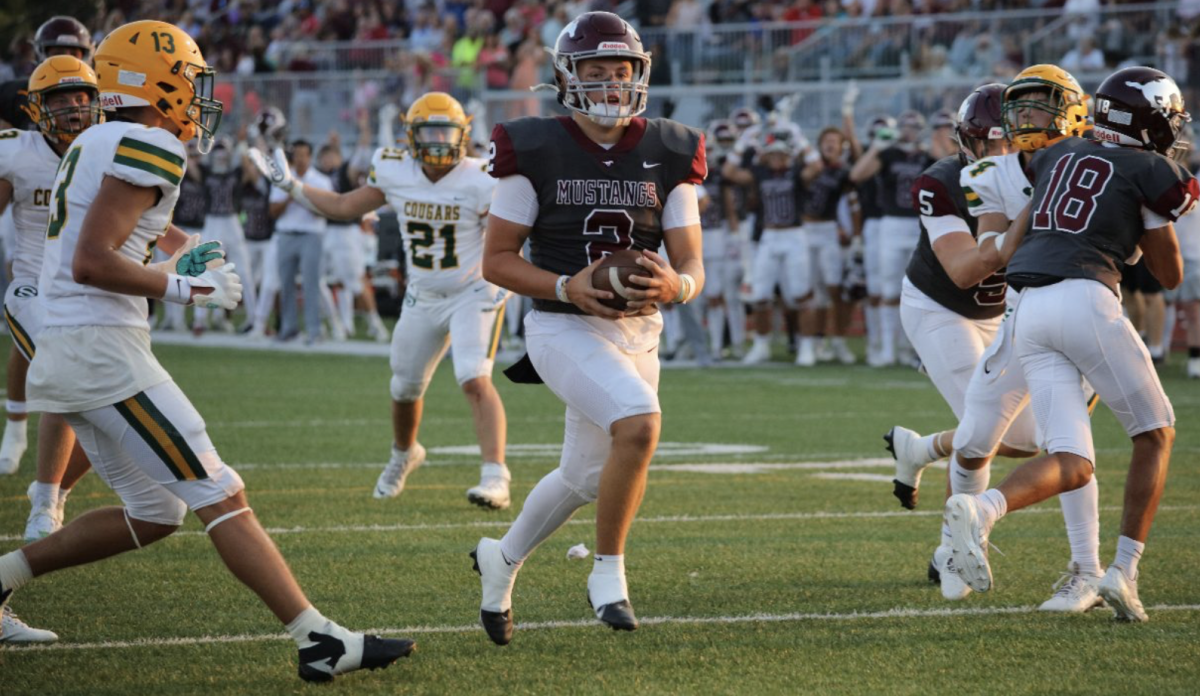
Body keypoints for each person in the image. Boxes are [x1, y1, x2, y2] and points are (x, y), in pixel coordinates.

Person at [0, 21, 414, 679]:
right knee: (218, 489)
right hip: (101, 349)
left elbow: (111, 237)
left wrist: (186, 251)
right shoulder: (149, 141)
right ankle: (320, 639)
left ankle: (1, 579)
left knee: (156, 512)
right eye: (189, 82)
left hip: (74, 343)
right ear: (154, 77)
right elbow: (91, 260)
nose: (196, 97)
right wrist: (187, 287)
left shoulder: (99, 138)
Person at [473, 11, 705, 644]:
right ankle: (609, 572)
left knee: (581, 475)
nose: (609, 83)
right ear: (567, 77)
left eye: (621, 71)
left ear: (641, 75)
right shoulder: (533, 144)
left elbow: (692, 267)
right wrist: (564, 285)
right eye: (595, 71)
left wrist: (677, 287)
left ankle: (503, 558)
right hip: (560, 325)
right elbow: (495, 261)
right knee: (639, 422)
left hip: (639, 331)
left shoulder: (671, 147)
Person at [945, 66, 1198, 623]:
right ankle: (1123, 572)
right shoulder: (1150, 167)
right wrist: (1151, 214)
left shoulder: (1060, 155)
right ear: (1152, 121)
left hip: (1028, 307)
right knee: (1155, 434)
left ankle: (982, 509)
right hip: (1084, 297)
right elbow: (1170, 275)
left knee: (1074, 461)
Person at [891, 66, 1109, 612]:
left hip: (1013, 307)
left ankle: (921, 451)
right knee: (994, 433)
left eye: (1014, 135)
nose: (1008, 147)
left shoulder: (1055, 165)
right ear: (968, 142)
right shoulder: (942, 182)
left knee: (1031, 436)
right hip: (943, 308)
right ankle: (955, 548)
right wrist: (1028, 213)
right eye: (994, 139)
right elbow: (965, 270)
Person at [249, 92, 512, 509]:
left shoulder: (482, 178)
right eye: (431, 132)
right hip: (423, 293)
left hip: (472, 291)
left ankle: (495, 475)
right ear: (410, 136)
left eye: (448, 131)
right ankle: (404, 454)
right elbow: (343, 205)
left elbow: (509, 237)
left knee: (473, 376)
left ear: (463, 134)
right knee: (404, 387)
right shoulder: (394, 169)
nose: (440, 141)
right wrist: (293, 187)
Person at [0, 54, 105, 645]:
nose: (72, 107)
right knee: (66, 359)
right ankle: (45, 496)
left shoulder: (111, 143)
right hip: (36, 286)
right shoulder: (16, 150)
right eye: (59, 98)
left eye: (80, 96)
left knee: (130, 426)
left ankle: (56, 490)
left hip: (97, 294)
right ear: (37, 107)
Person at [0, 16, 94, 472]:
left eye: (77, 52)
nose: (74, 106)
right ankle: (17, 423)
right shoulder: (17, 139)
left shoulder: (103, 132)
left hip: (84, 249)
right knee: (42, 337)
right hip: (29, 226)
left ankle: (53, 489)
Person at [850, 110, 935, 367]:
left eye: (914, 127)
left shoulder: (926, 155)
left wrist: (934, 142)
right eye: (906, 127)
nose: (910, 131)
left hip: (919, 224)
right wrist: (877, 146)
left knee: (917, 289)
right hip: (890, 223)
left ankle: (910, 349)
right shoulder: (889, 154)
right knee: (888, 288)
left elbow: (950, 163)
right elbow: (857, 175)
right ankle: (888, 349)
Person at [725, 127, 808, 365]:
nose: (777, 158)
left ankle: (807, 345)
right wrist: (741, 143)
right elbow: (730, 172)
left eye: (781, 154)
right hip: (769, 236)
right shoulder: (760, 173)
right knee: (760, 295)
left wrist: (798, 136)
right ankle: (761, 345)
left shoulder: (797, 172)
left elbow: (816, 167)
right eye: (773, 154)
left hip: (794, 234)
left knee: (800, 295)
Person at [269, 140, 333, 344]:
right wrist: (290, 196)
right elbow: (273, 211)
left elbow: (326, 210)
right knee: (285, 283)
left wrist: (302, 196)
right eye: (296, 155)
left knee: (311, 284)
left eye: (304, 155)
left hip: (311, 235)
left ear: (310, 157)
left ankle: (314, 330)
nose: (300, 159)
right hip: (286, 234)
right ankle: (289, 328)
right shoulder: (283, 179)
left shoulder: (321, 181)